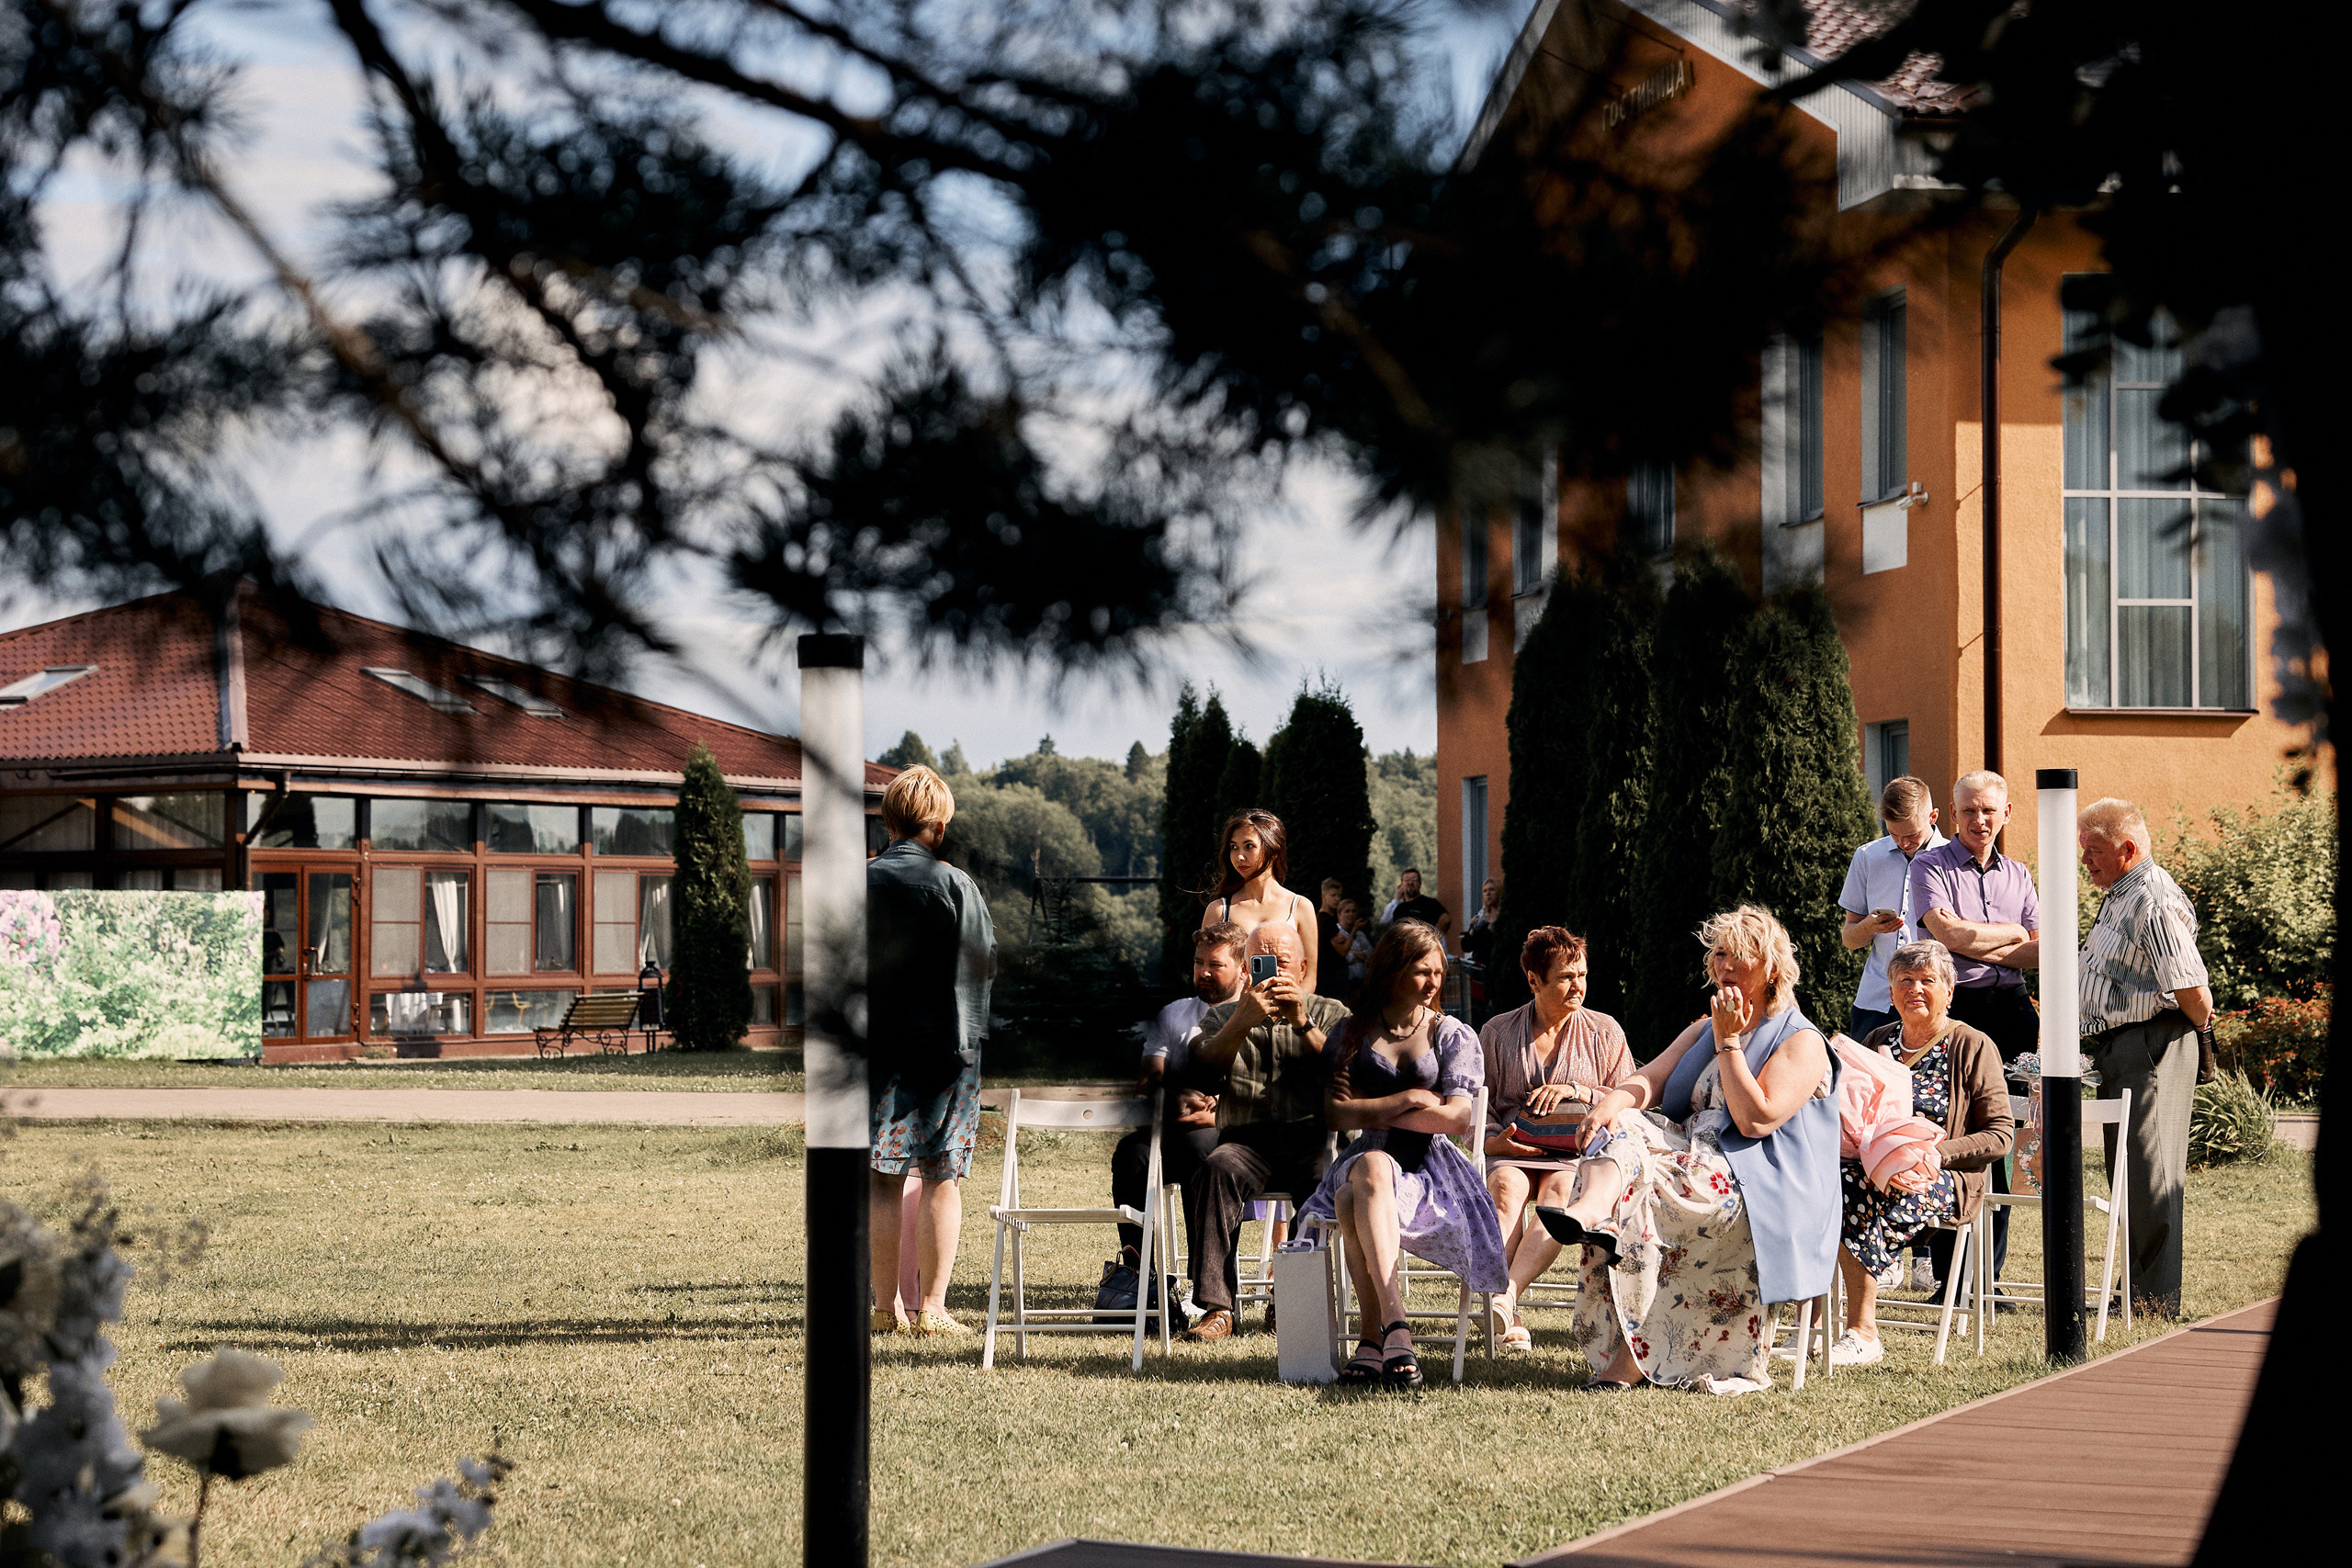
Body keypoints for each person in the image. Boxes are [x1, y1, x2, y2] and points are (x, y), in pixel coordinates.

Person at [1536, 905, 1839, 1394]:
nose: (1724, 965)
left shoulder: (1801, 1041)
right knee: (1624, 1125)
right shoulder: (1702, 1030)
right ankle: (1595, 1213)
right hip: (1685, 1154)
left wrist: (1731, 1044)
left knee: (1641, 1178)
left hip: (1752, 1179)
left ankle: (1630, 1356)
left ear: (1771, 969)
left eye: (1739, 956)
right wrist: (1607, 1104)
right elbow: (1648, 1079)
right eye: (1718, 954)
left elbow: (1754, 1119)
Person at [1299, 919, 1506, 1387]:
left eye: (1438, 972)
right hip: (1366, 1163)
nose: (1433, 982)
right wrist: (1407, 1101)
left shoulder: (1450, 1034)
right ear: (1392, 969)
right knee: (1369, 1167)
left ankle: (1373, 1339)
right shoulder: (1353, 1032)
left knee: (1354, 1196)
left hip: (1428, 1171)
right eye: (1421, 971)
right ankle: (1398, 1326)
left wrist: (1369, 1113)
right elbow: (1334, 1114)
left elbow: (1456, 1119)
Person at [1829, 941, 2015, 1364]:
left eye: (1928, 981)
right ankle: (1823, 1323)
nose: (1915, 989)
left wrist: (1935, 1153)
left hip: (1941, 1177)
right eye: (1904, 981)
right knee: (1827, 1186)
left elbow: (2001, 1134)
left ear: (1949, 991)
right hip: (1864, 1170)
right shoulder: (1876, 1040)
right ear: (1891, 992)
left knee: (1850, 1192)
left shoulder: (1972, 1045)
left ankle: (1861, 1331)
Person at [866, 764, 996, 1336]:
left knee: (883, 1178)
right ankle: (934, 1307)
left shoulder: (859, 882)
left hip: (877, 1053)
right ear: (939, 827)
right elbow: (978, 971)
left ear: (888, 821)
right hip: (946, 1054)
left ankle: (884, 1307)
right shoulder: (955, 884)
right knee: (943, 1176)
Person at [1179, 920, 1350, 1340]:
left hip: (1309, 1137)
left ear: (1304, 967)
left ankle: (1290, 1299)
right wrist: (1242, 1019)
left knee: (1321, 1182)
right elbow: (1203, 1067)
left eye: (1282, 963)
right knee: (1216, 1167)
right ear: (1245, 969)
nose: (1271, 974)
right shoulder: (1223, 1015)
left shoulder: (1330, 1012)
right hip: (1245, 1140)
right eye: (1260, 963)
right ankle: (1218, 1309)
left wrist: (1302, 1022)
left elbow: (1346, 1069)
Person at [2078, 797, 2214, 1317]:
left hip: (2152, 1044)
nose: (2085, 859)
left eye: (2093, 850)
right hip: (2127, 1046)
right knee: (2129, 1169)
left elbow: (2191, 986)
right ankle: (2139, 1289)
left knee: (2150, 1171)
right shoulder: (2121, 893)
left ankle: (2155, 1301)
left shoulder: (2152, 898)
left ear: (2127, 849)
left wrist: (2199, 1037)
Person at [1479, 926, 1638, 1352]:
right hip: (1512, 1149)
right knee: (1505, 1188)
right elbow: (1480, 1105)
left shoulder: (1605, 1033)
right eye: (1567, 976)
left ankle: (1505, 1299)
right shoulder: (1496, 1032)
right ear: (1534, 980)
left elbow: (1630, 1101)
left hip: (1573, 1155)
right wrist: (1494, 1143)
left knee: (1560, 1194)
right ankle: (1504, 1308)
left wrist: (1579, 1091)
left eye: (1582, 974)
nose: (1578, 985)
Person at [1909, 768, 2041, 1286]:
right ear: (1954, 812)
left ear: (2006, 814)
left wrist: (1976, 939)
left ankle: (1990, 1276)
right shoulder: (1929, 865)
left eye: (1989, 810)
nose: (1979, 820)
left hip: (2011, 1011)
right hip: (1955, 1012)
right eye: (1969, 811)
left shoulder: (2021, 874)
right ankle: (1950, 1274)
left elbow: (2039, 949)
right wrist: (2011, 934)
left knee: (2004, 1139)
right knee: (1952, 1132)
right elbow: (1943, 936)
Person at [1095, 921, 1246, 1315]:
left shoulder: (1254, 1015)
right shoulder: (1175, 1014)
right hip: (1169, 1127)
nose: (1204, 972)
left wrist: (1215, 1108)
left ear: (1243, 970)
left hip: (1227, 1139)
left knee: (1206, 1154)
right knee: (1131, 1154)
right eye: (1199, 963)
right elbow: (1150, 1082)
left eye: (1216, 964)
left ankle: (1206, 1288)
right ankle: (1138, 1279)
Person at [1838, 777, 1947, 1041]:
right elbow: (1849, 939)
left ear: (1933, 816)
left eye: (1911, 835)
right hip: (1876, 1002)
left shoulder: (1952, 859)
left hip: (1933, 1004)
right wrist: (1869, 927)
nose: (1903, 843)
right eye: (1893, 834)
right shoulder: (1867, 857)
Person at [1200, 808, 1320, 993]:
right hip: (1233, 1015)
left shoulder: (1300, 907)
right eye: (1234, 847)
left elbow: (1309, 979)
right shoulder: (1219, 911)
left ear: (1273, 850)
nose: (1239, 856)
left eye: (1249, 846)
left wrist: (1289, 1013)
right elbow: (1206, 974)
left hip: (1285, 1015)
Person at [1378, 868, 1451, 937]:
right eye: (1406, 880)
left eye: (1414, 880)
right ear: (1401, 885)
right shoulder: (1398, 907)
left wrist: (1434, 937)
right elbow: (1384, 923)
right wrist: (1396, 899)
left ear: (1420, 884)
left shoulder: (1429, 903)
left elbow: (1446, 919)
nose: (1410, 882)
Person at [1313, 878, 1350, 1000]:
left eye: (1339, 895)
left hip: (1329, 975)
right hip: (1330, 976)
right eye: (1333, 895)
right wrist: (1354, 930)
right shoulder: (1326, 921)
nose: (1337, 899)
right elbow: (1343, 951)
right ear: (1323, 896)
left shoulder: (1323, 918)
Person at [1332, 898, 1374, 989]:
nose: (1351, 914)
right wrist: (1361, 956)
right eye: (1347, 911)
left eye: (1354, 911)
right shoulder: (1335, 933)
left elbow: (1371, 954)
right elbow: (1342, 958)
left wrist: (1352, 953)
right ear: (1339, 915)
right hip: (1345, 983)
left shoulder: (1360, 934)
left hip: (1364, 982)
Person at [1460, 877, 1502, 966]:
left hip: (1498, 964)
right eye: (1485, 891)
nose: (1488, 894)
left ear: (1498, 893)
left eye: (1491, 890)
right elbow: (1466, 947)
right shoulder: (1481, 917)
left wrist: (1497, 931)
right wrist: (1472, 929)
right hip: (1480, 968)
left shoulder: (1504, 916)